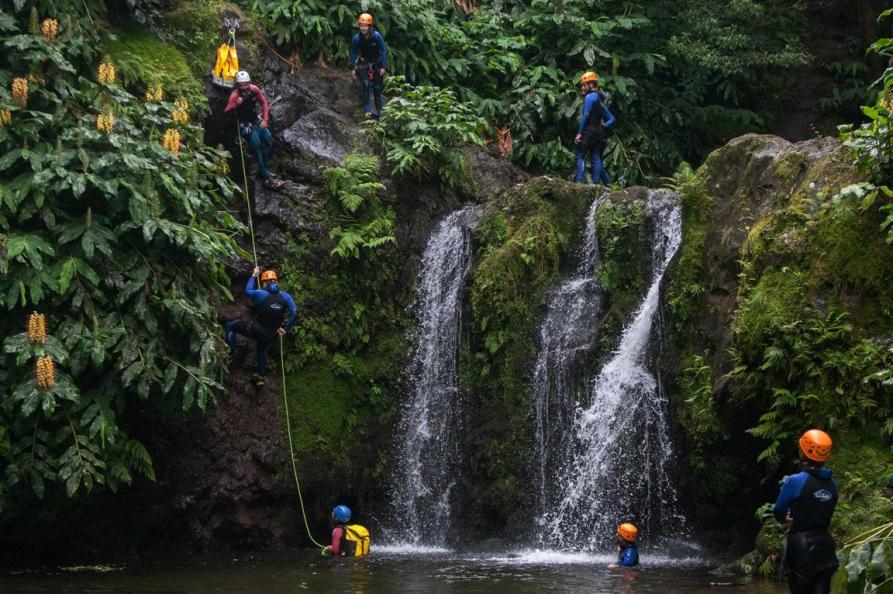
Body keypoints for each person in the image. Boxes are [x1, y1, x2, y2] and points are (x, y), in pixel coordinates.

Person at [773, 429, 839, 594]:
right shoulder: (833, 484)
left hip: (801, 548)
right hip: (825, 548)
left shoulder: (795, 482)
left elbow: (779, 511)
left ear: (803, 452)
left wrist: (784, 518)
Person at [222, 266, 296, 387]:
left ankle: (230, 353)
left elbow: (248, 290)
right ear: (276, 281)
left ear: (266, 283)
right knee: (261, 349)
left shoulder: (261, 294)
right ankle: (261, 375)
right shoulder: (286, 297)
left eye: (263, 283)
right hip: (272, 334)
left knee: (230, 325)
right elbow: (294, 313)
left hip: (257, 330)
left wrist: (253, 275)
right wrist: (285, 329)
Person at [223, 70, 284, 190]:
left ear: (249, 83)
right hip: (244, 124)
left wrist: (265, 120)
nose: (245, 87)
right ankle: (267, 178)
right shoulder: (235, 95)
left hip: (256, 120)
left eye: (246, 84)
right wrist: (236, 104)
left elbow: (263, 103)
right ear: (238, 86)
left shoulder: (254, 89)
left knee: (269, 142)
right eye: (242, 85)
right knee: (257, 147)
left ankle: (263, 169)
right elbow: (227, 111)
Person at [574, 71, 616, 184]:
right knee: (596, 157)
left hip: (589, 131)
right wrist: (605, 125)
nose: (582, 87)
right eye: (582, 85)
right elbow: (612, 119)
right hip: (599, 132)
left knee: (580, 155)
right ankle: (600, 184)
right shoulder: (600, 100)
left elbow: (586, 115)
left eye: (584, 84)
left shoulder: (590, 97)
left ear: (591, 84)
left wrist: (579, 133)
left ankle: (579, 183)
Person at [349, 13, 388, 118]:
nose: (363, 28)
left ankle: (380, 113)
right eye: (361, 25)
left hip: (377, 64)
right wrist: (353, 68)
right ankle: (367, 111)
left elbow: (383, 51)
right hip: (364, 63)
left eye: (365, 26)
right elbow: (354, 53)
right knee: (366, 84)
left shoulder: (376, 36)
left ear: (369, 26)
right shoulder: (357, 38)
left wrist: (383, 67)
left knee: (377, 88)